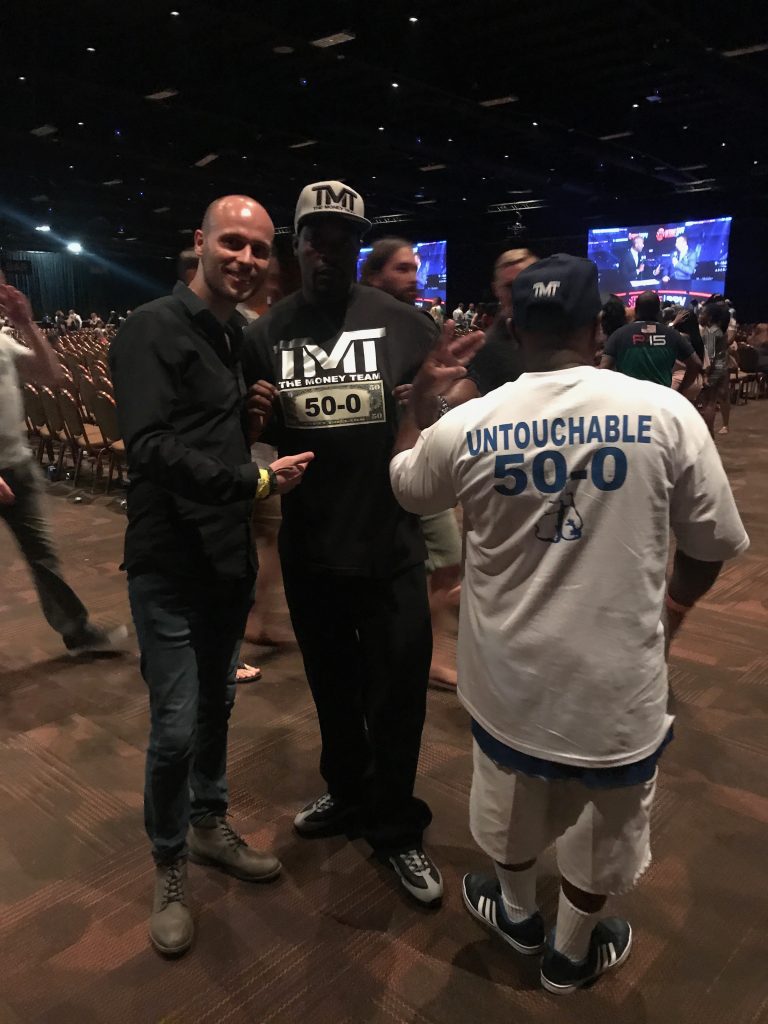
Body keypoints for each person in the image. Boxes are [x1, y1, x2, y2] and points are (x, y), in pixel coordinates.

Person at [389, 253, 749, 994]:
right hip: (616, 688)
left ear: (514, 325)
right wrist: (675, 606)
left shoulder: (468, 423)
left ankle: (517, 916)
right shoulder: (666, 412)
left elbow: (408, 488)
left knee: (510, 808)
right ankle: (569, 953)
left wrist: (413, 407)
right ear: (597, 325)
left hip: (506, 680)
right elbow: (712, 543)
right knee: (607, 829)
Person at [109, 195, 314, 958]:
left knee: (218, 708)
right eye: (233, 243)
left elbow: (208, 436)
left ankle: (207, 823)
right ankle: (169, 863)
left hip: (225, 558)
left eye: (260, 250)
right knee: (173, 727)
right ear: (198, 242)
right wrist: (256, 483)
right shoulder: (150, 328)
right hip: (167, 559)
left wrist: (251, 424)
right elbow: (152, 447)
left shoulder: (235, 338)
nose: (247, 260)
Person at [242, 181, 443, 905]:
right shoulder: (265, 334)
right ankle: (346, 793)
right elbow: (250, 442)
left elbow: (440, 423)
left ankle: (394, 827)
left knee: (396, 699)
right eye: (315, 237)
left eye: (343, 238)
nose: (328, 249)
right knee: (331, 690)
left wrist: (430, 407)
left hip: (390, 547)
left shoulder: (407, 326)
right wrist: (253, 423)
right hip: (312, 548)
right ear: (296, 244)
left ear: (358, 246)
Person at [0, 281, 127, 655]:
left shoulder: (3, 341)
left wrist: (27, 325)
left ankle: (77, 631)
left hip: (17, 466)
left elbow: (51, 374)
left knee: (43, 557)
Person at [360, 236, 462, 689]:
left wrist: (425, 397)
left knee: (447, 560)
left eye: (415, 269)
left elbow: (445, 401)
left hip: (417, 463)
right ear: (372, 275)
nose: (414, 279)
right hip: (369, 472)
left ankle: (425, 654)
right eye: (402, 269)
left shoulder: (420, 326)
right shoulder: (352, 325)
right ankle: (410, 654)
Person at [601, 290, 702, 390]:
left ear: (636, 310)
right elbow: (696, 364)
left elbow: (604, 367)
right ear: (659, 312)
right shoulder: (672, 335)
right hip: (660, 399)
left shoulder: (619, 334)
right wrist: (679, 391)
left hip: (628, 398)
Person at [699, 301, 731, 436]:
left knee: (709, 403)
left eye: (703, 313)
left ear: (710, 317)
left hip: (713, 370)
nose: (700, 315)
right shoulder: (721, 331)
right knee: (720, 399)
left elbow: (709, 356)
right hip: (723, 367)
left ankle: (709, 433)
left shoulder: (711, 332)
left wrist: (706, 374)